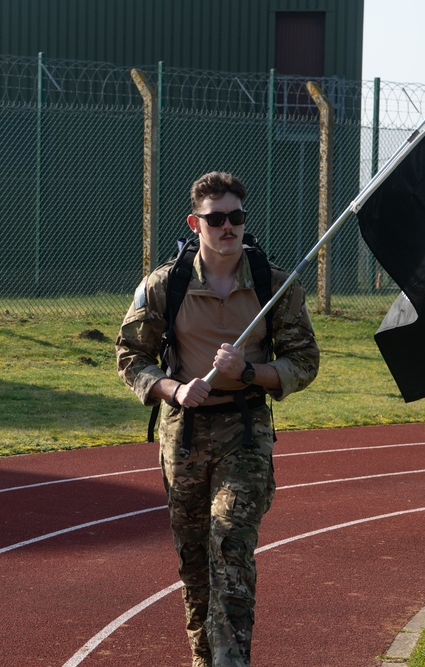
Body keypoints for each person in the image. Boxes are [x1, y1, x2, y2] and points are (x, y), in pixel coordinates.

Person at [116, 172, 320, 667]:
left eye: (236, 217)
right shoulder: (167, 284)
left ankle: (233, 662)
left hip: (245, 431)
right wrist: (174, 388)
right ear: (196, 222)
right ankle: (204, 660)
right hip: (184, 436)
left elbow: (304, 361)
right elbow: (129, 357)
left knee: (229, 542)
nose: (228, 226)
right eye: (217, 218)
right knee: (195, 567)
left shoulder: (274, 284)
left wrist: (250, 371)